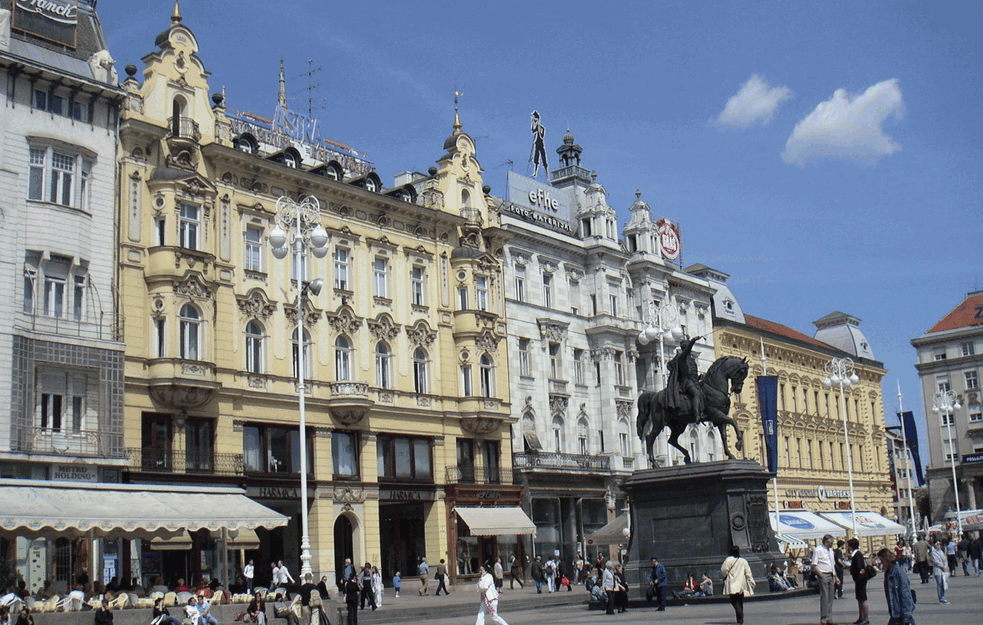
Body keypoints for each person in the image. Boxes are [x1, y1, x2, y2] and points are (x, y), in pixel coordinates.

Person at [665, 335, 705, 421]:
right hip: (686, 382)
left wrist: (699, 377)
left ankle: (703, 411)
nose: (689, 349)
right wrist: (693, 341)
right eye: (687, 347)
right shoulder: (682, 357)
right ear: (685, 348)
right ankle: (696, 415)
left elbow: (692, 373)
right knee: (695, 393)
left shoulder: (691, 359)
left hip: (693, 381)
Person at [878, 547, 916, 625]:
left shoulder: (898, 573)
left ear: (887, 559)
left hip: (902, 614)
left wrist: (906, 615)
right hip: (895, 613)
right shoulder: (888, 573)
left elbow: (905, 593)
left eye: (882, 561)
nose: (881, 564)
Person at [722, 546, 755, 625]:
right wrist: (751, 580)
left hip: (732, 583)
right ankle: (740, 618)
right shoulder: (743, 561)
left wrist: (727, 575)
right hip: (741, 583)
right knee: (740, 601)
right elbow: (748, 572)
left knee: (734, 601)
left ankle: (739, 614)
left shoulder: (728, 560)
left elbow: (724, 570)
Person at [812, 533, 839, 625]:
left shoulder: (831, 551)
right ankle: (823, 619)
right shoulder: (818, 550)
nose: (832, 544)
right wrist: (821, 576)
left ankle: (829, 618)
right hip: (823, 574)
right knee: (825, 597)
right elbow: (814, 565)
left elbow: (832, 564)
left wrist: (835, 576)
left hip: (831, 574)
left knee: (831, 597)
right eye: (831, 543)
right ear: (826, 542)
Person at [848, 537, 873, 625]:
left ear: (851, 546)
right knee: (859, 599)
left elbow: (860, 567)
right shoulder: (856, 554)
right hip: (858, 579)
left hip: (860, 580)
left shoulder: (857, 554)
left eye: (848, 546)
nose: (848, 547)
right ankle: (861, 617)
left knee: (862, 599)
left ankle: (865, 618)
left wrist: (853, 569)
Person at [928, 538, 949, 604]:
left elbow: (945, 559)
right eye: (937, 544)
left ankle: (942, 597)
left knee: (943, 583)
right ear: (935, 545)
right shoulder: (933, 552)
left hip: (943, 570)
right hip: (937, 570)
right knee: (939, 584)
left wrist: (946, 565)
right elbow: (936, 561)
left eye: (939, 544)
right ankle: (941, 598)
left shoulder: (941, 551)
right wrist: (942, 566)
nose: (938, 545)